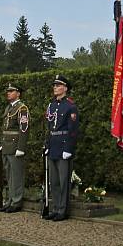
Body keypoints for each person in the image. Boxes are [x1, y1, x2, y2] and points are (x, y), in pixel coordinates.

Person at [44, 75, 79, 222]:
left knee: (64, 180)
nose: (55, 88)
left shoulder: (70, 106)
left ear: (65, 88)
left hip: (64, 145)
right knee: (54, 181)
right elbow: (48, 127)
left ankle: (63, 210)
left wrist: (68, 148)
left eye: (58, 85)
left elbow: (73, 130)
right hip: (53, 145)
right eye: (54, 85)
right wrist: (47, 145)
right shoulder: (51, 105)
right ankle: (56, 208)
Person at [0, 83, 29, 213]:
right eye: (8, 91)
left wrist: (21, 147)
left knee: (16, 175)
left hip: (15, 145)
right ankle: (10, 200)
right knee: (9, 175)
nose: (8, 93)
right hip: (7, 145)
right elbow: (4, 128)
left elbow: (24, 129)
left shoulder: (22, 108)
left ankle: (16, 201)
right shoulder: (8, 108)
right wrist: (1, 143)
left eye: (11, 91)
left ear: (18, 93)